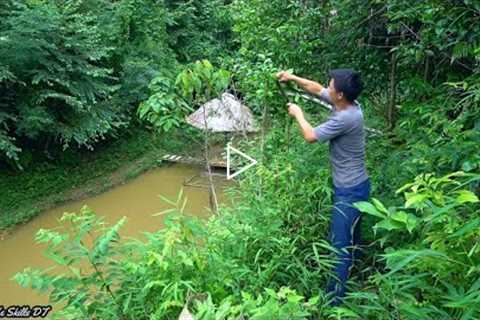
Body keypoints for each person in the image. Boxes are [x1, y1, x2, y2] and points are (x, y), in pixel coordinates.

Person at [276, 69, 371, 305]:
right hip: (358, 185)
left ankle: (333, 304)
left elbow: (309, 136)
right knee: (352, 238)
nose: (327, 88)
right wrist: (293, 78)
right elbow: (316, 88)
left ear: (339, 94)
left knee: (339, 248)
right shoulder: (347, 103)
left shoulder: (345, 118)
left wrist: (298, 113)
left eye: (331, 86)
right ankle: (357, 276)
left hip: (349, 191)